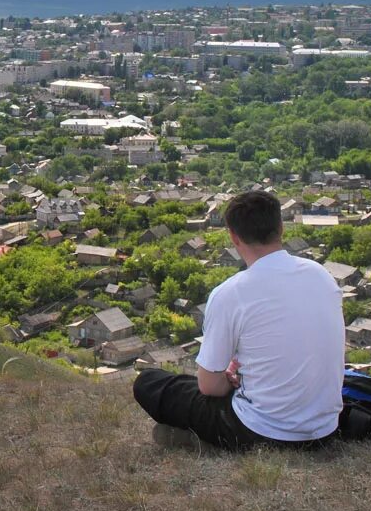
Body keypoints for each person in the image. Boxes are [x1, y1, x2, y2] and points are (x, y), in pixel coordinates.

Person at [133, 190, 344, 451]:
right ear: (281, 228)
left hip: (261, 431)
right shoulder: (321, 275)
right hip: (325, 429)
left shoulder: (230, 293)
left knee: (150, 382)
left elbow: (209, 387)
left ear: (233, 236)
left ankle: (202, 443)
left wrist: (230, 381)